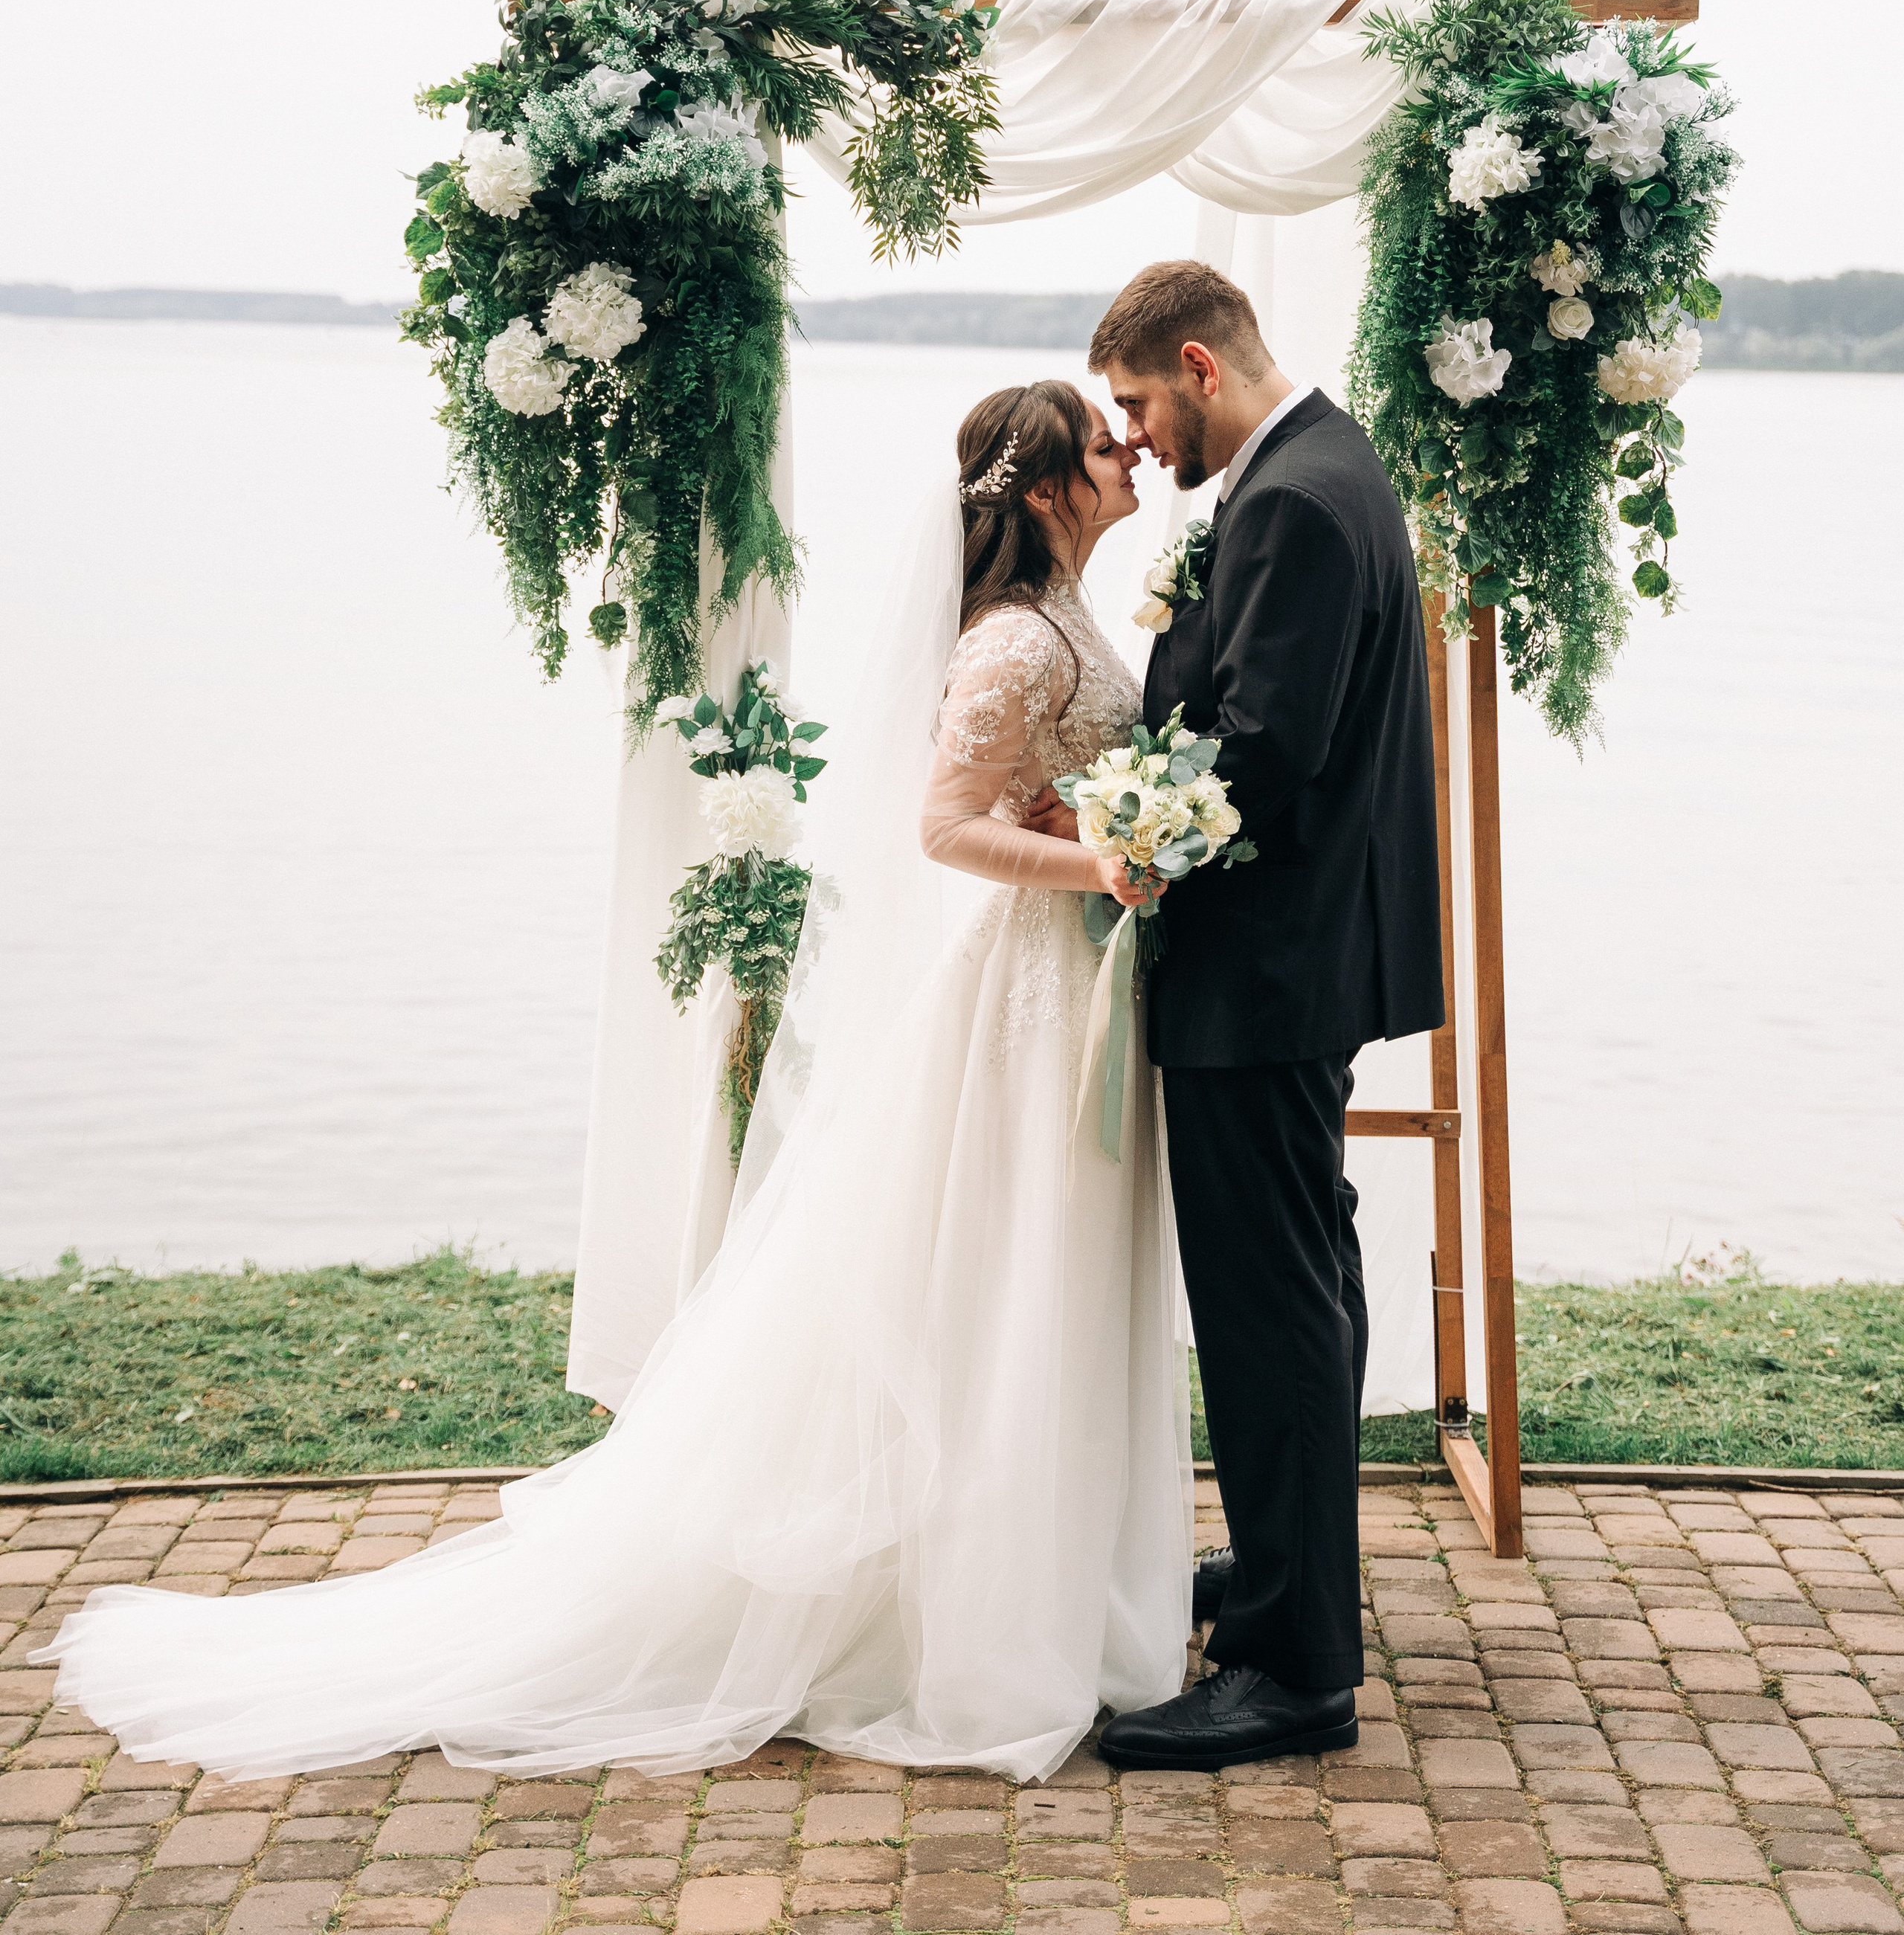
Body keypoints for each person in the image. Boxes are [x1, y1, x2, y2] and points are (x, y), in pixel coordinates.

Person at [48, 381, 1197, 1783]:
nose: (1128, 455)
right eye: (1102, 443)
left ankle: (1048, 1591)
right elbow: (944, 830)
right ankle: (979, 1621)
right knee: (1011, 1292)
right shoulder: (1012, 641)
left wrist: (1104, 826)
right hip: (1022, 1006)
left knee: (1042, 1295)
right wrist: (1107, 860)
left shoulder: (1076, 614)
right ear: (1040, 490)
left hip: (1072, 989)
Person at [1035, 260, 1443, 1771]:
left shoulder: (1290, 499)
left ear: (1196, 364)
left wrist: (1113, 844)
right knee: (1304, 1287)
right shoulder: (1318, 470)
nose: (1133, 439)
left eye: (1139, 402)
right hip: (1295, 962)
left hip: (1261, 971)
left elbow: (1257, 754)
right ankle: (1291, 1574)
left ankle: (1291, 1670)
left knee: (1267, 1309)